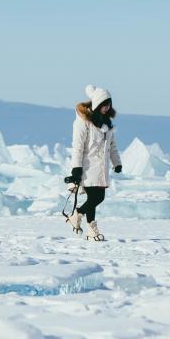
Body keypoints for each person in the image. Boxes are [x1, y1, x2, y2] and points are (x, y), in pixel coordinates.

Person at [66, 84, 122, 241]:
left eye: (109, 104)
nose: (107, 107)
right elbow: (77, 147)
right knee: (96, 198)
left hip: (102, 168)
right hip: (88, 167)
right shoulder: (83, 122)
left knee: (97, 198)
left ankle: (88, 227)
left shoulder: (107, 124)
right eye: (104, 105)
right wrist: (76, 168)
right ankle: (80, 217)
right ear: (97, 104)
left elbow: (112, 146)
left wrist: (117, 163)